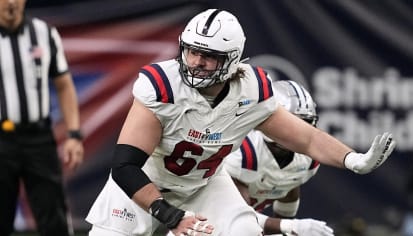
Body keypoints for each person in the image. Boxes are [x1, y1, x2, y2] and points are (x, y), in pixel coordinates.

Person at [86, 8, 396, 236]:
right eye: (192, 51)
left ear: (233, 59)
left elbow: (307, 139)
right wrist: (170, 215)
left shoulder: (251, 91)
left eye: (208, 56)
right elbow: (126, 167)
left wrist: (352, 159)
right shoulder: (162, 87)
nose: (196, 62)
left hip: (201, 184)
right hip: (144, 185)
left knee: (244, 231)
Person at [0, 0, 84, 235]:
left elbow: (65, 85)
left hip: (39, 139)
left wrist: (74, 134)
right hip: (1, 141)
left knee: (54, 217)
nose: (11, 2)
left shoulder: (44, 33)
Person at [224, 79, 333, 236]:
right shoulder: (244, 152)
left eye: (304, 123)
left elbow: (289, 184)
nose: (298, 131)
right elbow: (235, 219)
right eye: (291, 123)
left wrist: (286, 229)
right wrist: (290, 226)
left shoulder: (307, 158)